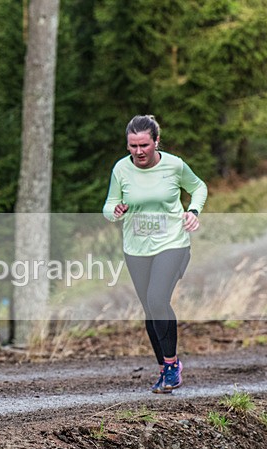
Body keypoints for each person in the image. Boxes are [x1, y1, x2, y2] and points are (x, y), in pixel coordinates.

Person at [103, 114, 207, 394]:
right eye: (133, 146)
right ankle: (165, 368)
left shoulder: (174, 165)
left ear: (156, 142)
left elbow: (198, 187)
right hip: (136, 248)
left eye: (144, 145)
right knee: (150, 309)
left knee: (157, 299)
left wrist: (193, 211)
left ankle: (171, 367)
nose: (138, 152)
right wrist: (115, 211)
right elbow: (109, 205)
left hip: (172, 242)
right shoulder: (121, 169)